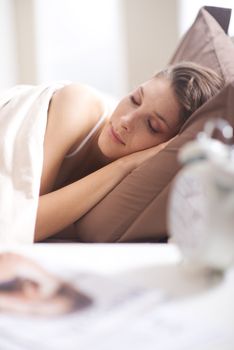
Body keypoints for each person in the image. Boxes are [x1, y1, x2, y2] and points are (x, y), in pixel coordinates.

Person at [35, 61, 224, 242]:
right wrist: (124, 165)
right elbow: (24, 220)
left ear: (166, 145)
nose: (126, 120)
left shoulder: (120, 191)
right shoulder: (79, 103)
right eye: (135, 99)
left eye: (151, 125)